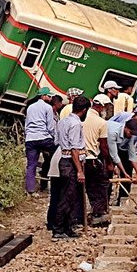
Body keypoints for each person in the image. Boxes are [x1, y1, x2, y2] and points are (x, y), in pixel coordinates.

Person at [53, 95, 90, 239]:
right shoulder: (75, 124)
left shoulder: (63, 121)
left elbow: (58, 140)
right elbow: (75, 148)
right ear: (85, 110)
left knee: (70, 196)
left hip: (64, 159)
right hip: (71, 163)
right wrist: (80, 170)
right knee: (67, 197)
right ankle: (59, 229)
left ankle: (67, 228)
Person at [82, 94, 112, 223]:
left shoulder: (81, 116)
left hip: (77, 157)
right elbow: (104, 146)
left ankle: (78, 215)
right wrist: (109, 163)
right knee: (97, 187)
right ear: (102, 107)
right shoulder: (101, 122)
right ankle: (98, 214)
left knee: (80, 188)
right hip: (92, 158)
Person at [24, 87, 57, 194]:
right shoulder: (48, 108)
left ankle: (31, 190)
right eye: (49, 96)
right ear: (43, 96)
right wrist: (54, 139)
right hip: (43, 138)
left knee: (31, 165)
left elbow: (26, 125)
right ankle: (53, 182)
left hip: (30, 139)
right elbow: (51, 127)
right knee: (56, 155)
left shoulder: (30, 107)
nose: (51, 98)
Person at [107, 118, 137, 187]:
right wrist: (124, 172)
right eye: (130, 133)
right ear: (126, 127)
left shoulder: (130, 135)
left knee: (126, 164)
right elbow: (114, 155)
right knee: (109, 171)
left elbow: (132, 154)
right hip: (104, 146)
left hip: (116, 147)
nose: (131, 135)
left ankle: (122, 196)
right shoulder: (113, 133)